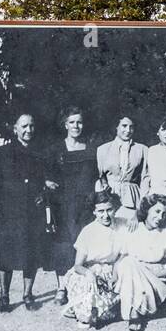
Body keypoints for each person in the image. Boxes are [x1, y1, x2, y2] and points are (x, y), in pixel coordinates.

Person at [0, 113, 52, 313]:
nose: (28, 130)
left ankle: (27, 294)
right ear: (15, 128)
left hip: (33, 211)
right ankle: (4, 295)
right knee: (5, 253)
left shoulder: (39, 153)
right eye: (24, 126)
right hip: (9, 211)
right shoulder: (3, 153)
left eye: (32, 126)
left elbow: (42, 178)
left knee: (31, 253)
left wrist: (44, 188)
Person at [45, 107, 98, 305]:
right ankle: (61, 287)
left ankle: (83, 286)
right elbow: (46, 176)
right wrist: (47, 183)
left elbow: (96, 176)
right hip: (63, 205)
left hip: (86, 205)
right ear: (65, 124)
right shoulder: (55, 150)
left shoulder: (91, 149)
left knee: (85, 245)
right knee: (63, 246)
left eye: (79, 122)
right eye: (72, 122)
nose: (76, 126)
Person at [116, 193, 166, 331]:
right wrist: (114, 276)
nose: (160, 217)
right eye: (157, 211)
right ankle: (136, 310)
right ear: (147, 209)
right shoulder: (134, 229)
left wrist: (160, 272)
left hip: (157, 280)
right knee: (128, 262)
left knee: (129, 264)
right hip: (135, 276)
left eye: (164, 214)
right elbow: (121, 258)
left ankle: (134, 313)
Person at [63, 189, 126, 329]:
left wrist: (115, 272)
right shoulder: (88, 231)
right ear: (94, 212)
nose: (105, 215)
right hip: (88, 271)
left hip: (112, 269)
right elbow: (78, 265)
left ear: (115, 208)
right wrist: (89, 273)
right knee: (89, 313)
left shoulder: (122, 225)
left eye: (109, 210)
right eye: (101, 211)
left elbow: (123, 255)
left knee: (111, 310)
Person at [97, 117, 145, 223]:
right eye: (124, 126)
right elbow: (100, 176)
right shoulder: (103, 149)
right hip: (109, 196)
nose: (128, 130)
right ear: (116, 127)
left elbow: (145, 178)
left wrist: (142, 202)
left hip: (132, 197)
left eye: (131, 127)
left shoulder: (142, 149)